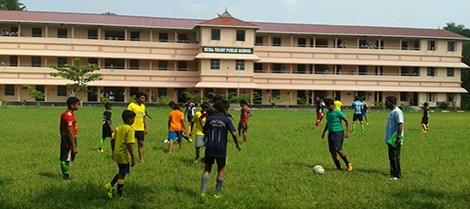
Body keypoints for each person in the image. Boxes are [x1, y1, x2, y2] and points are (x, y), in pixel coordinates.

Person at [200, 101, 241, 198]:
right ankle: (217, 193)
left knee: (207, 168)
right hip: (221, 148)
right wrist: (237, 144)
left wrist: (208, 136)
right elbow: (234, 133)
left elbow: (204, 130)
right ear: (225, 110)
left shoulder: (210, 119)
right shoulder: (226, 120)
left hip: (210, 147)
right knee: (221, 169)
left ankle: (202, 192)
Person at [104, 110, 136, 198]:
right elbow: (129, 144)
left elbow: (112, 140)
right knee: (123, 174)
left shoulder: (118, 128)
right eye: (134, 119)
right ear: (129, 119)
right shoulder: (129, 129)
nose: (134, 120)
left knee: (121, 171)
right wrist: (133, 157)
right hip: (124, 155)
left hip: (117, 153)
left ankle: (111, 186)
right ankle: (117, 192)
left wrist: (113, 150)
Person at [321, 98, 353, 172]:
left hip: (338, 133)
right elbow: (328, 122)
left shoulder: (338, 112)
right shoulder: (328, 113)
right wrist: (324, 132)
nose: (327, 108)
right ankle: (338, 168)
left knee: (338, 148)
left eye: (328, 106)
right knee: (332, 151)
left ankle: (348, 164)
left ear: (332, 105)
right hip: (331, 133)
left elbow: (347, 121)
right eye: (326, 106)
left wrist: (347, 132)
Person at [59, 97, 80, 180]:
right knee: (65, 157)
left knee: (68, 157)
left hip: (67, 137)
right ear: (72, 105)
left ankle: (66, 174)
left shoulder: (66, 114)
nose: (78, 106)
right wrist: (73, 145)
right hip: (68, 138)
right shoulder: (68, 116)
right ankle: (66, 176)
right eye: (77, 104)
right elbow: (69, 130)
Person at [384, 96, 404, 180]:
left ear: (391, 102)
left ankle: (397, 175)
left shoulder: (397, 112)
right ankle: (392, 173)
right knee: (391, 156)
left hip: (395, 138)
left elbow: (400, 124)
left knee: (395, 156)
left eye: (387, 102)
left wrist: (399, 137)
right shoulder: (392, 112)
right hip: (390, 138)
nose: (385, 103)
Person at [127, 92, 147, 163]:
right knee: (130, 144)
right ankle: (129, 157)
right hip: (132, 128)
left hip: (140, 128)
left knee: (141, 143)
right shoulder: (131, 105)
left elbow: (144, 118)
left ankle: (141, 159)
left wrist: (145, 128)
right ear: (137, 98)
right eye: (142, 98)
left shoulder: (143, 106)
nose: (143, 100)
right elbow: (127, 115)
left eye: (144, 98)